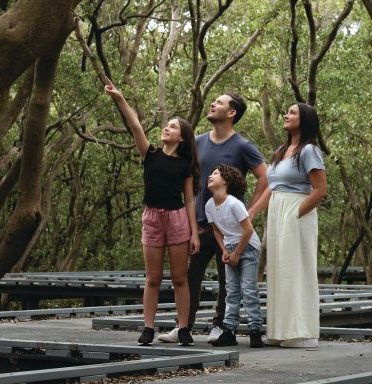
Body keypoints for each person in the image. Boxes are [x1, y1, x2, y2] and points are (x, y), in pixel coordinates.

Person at [157, 93, 267, 343]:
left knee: (227, 280)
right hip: (199, 224)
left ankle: (219, 325)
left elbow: (266, 178)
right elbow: (180, 173)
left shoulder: (243, 146)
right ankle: (183, 326)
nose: (213, 104)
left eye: (220, 102)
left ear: (231, 113)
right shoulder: (196, 142)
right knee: (188, 276)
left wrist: (250, 210)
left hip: (229, 230)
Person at [104, 77, 200, 346]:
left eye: (172, 127)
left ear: (182, 137)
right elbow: (134, 125)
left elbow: (190, 200)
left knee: (180, 277)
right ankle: (148, 327)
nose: (166, 128)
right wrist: (119, 97)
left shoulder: (185, 164)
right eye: (166, 125)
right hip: (152, 218)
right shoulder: (150, 154)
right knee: (153, 277)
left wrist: (194, 233)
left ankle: (183, 329)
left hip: (178, 218)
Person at [249, 102, 326, 348]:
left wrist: (296, 213)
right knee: (279, 270)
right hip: (277, 212)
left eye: (292, 112)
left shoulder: (309, 150)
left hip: (296, 211)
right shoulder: (282, 150)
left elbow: (320, 189)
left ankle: (302, 333)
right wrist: (251, 213)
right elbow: (272, 188)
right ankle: (281, 330)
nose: (286, 115)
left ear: (305, 119)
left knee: (296, 269)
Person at [204, 164, 264, 348]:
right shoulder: (209, 205)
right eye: (211, 172)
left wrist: (237, 252)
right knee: (231, 291)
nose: (210, 176)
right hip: (230, 248)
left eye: (215, 173)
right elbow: (216, 230)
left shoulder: (234, 203)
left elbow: (248, 229)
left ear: (226, 181)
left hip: (247, 247)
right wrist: (224, 251)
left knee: (248, 289)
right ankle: (229, 331)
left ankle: (255, 330)